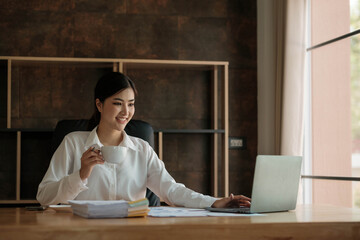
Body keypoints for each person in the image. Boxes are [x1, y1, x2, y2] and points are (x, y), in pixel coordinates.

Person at [37, 72, 251, 209]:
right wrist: (81, 175)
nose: (126, 112)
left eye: (131, 104)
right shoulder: (73, 143)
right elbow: (44, 196)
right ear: (99, 105)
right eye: (118, 103)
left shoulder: (142, 149)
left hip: (132, 232)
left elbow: (172, 190)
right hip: (83, 233)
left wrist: (214, 202)